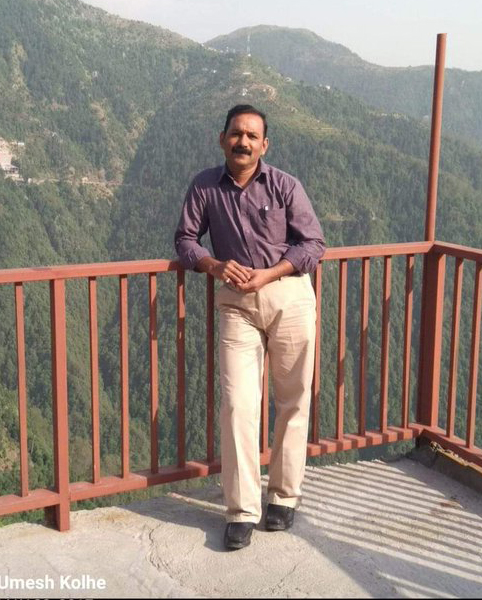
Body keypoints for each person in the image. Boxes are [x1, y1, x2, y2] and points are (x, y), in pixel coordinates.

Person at [174, 105, 326, 550]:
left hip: (288, 295)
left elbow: (313, 243)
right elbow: (185, 239)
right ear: (222, 139)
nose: (243, 141)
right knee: (238, 404)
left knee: (293, 400)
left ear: (264, 145)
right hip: (236, 303)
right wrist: (215, 265)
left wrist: (271, 273)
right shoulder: (205, 186)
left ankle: (283, 496)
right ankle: (241, 510)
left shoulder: (284, 185)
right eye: (236, 134)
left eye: (252, 136)